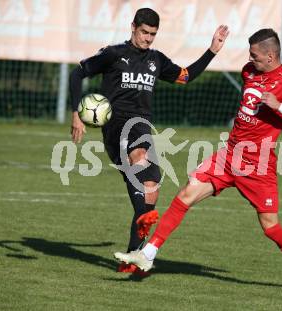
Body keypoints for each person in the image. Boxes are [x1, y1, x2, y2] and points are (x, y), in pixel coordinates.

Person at [114, 28, 282, 293]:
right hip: (229, 155)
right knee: (186, 194)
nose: (250, 60)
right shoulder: (249, 72)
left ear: (272, 56)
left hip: (258, 165)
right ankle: (147, 254)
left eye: (255, 56)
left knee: (271, 227)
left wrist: (280, 107)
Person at [69, 8, 229, 275]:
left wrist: (212, 50)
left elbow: (185, 76)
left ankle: (131, 259)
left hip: (141, 125)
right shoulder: (113, 54)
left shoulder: (156, 59)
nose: (148, 39)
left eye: (153, 34)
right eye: (144, 32)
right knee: (140, 160)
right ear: (133, 27)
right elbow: (77, 74)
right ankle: (141, 228)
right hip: (115, 125)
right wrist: (76, 113)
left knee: (152, 186)